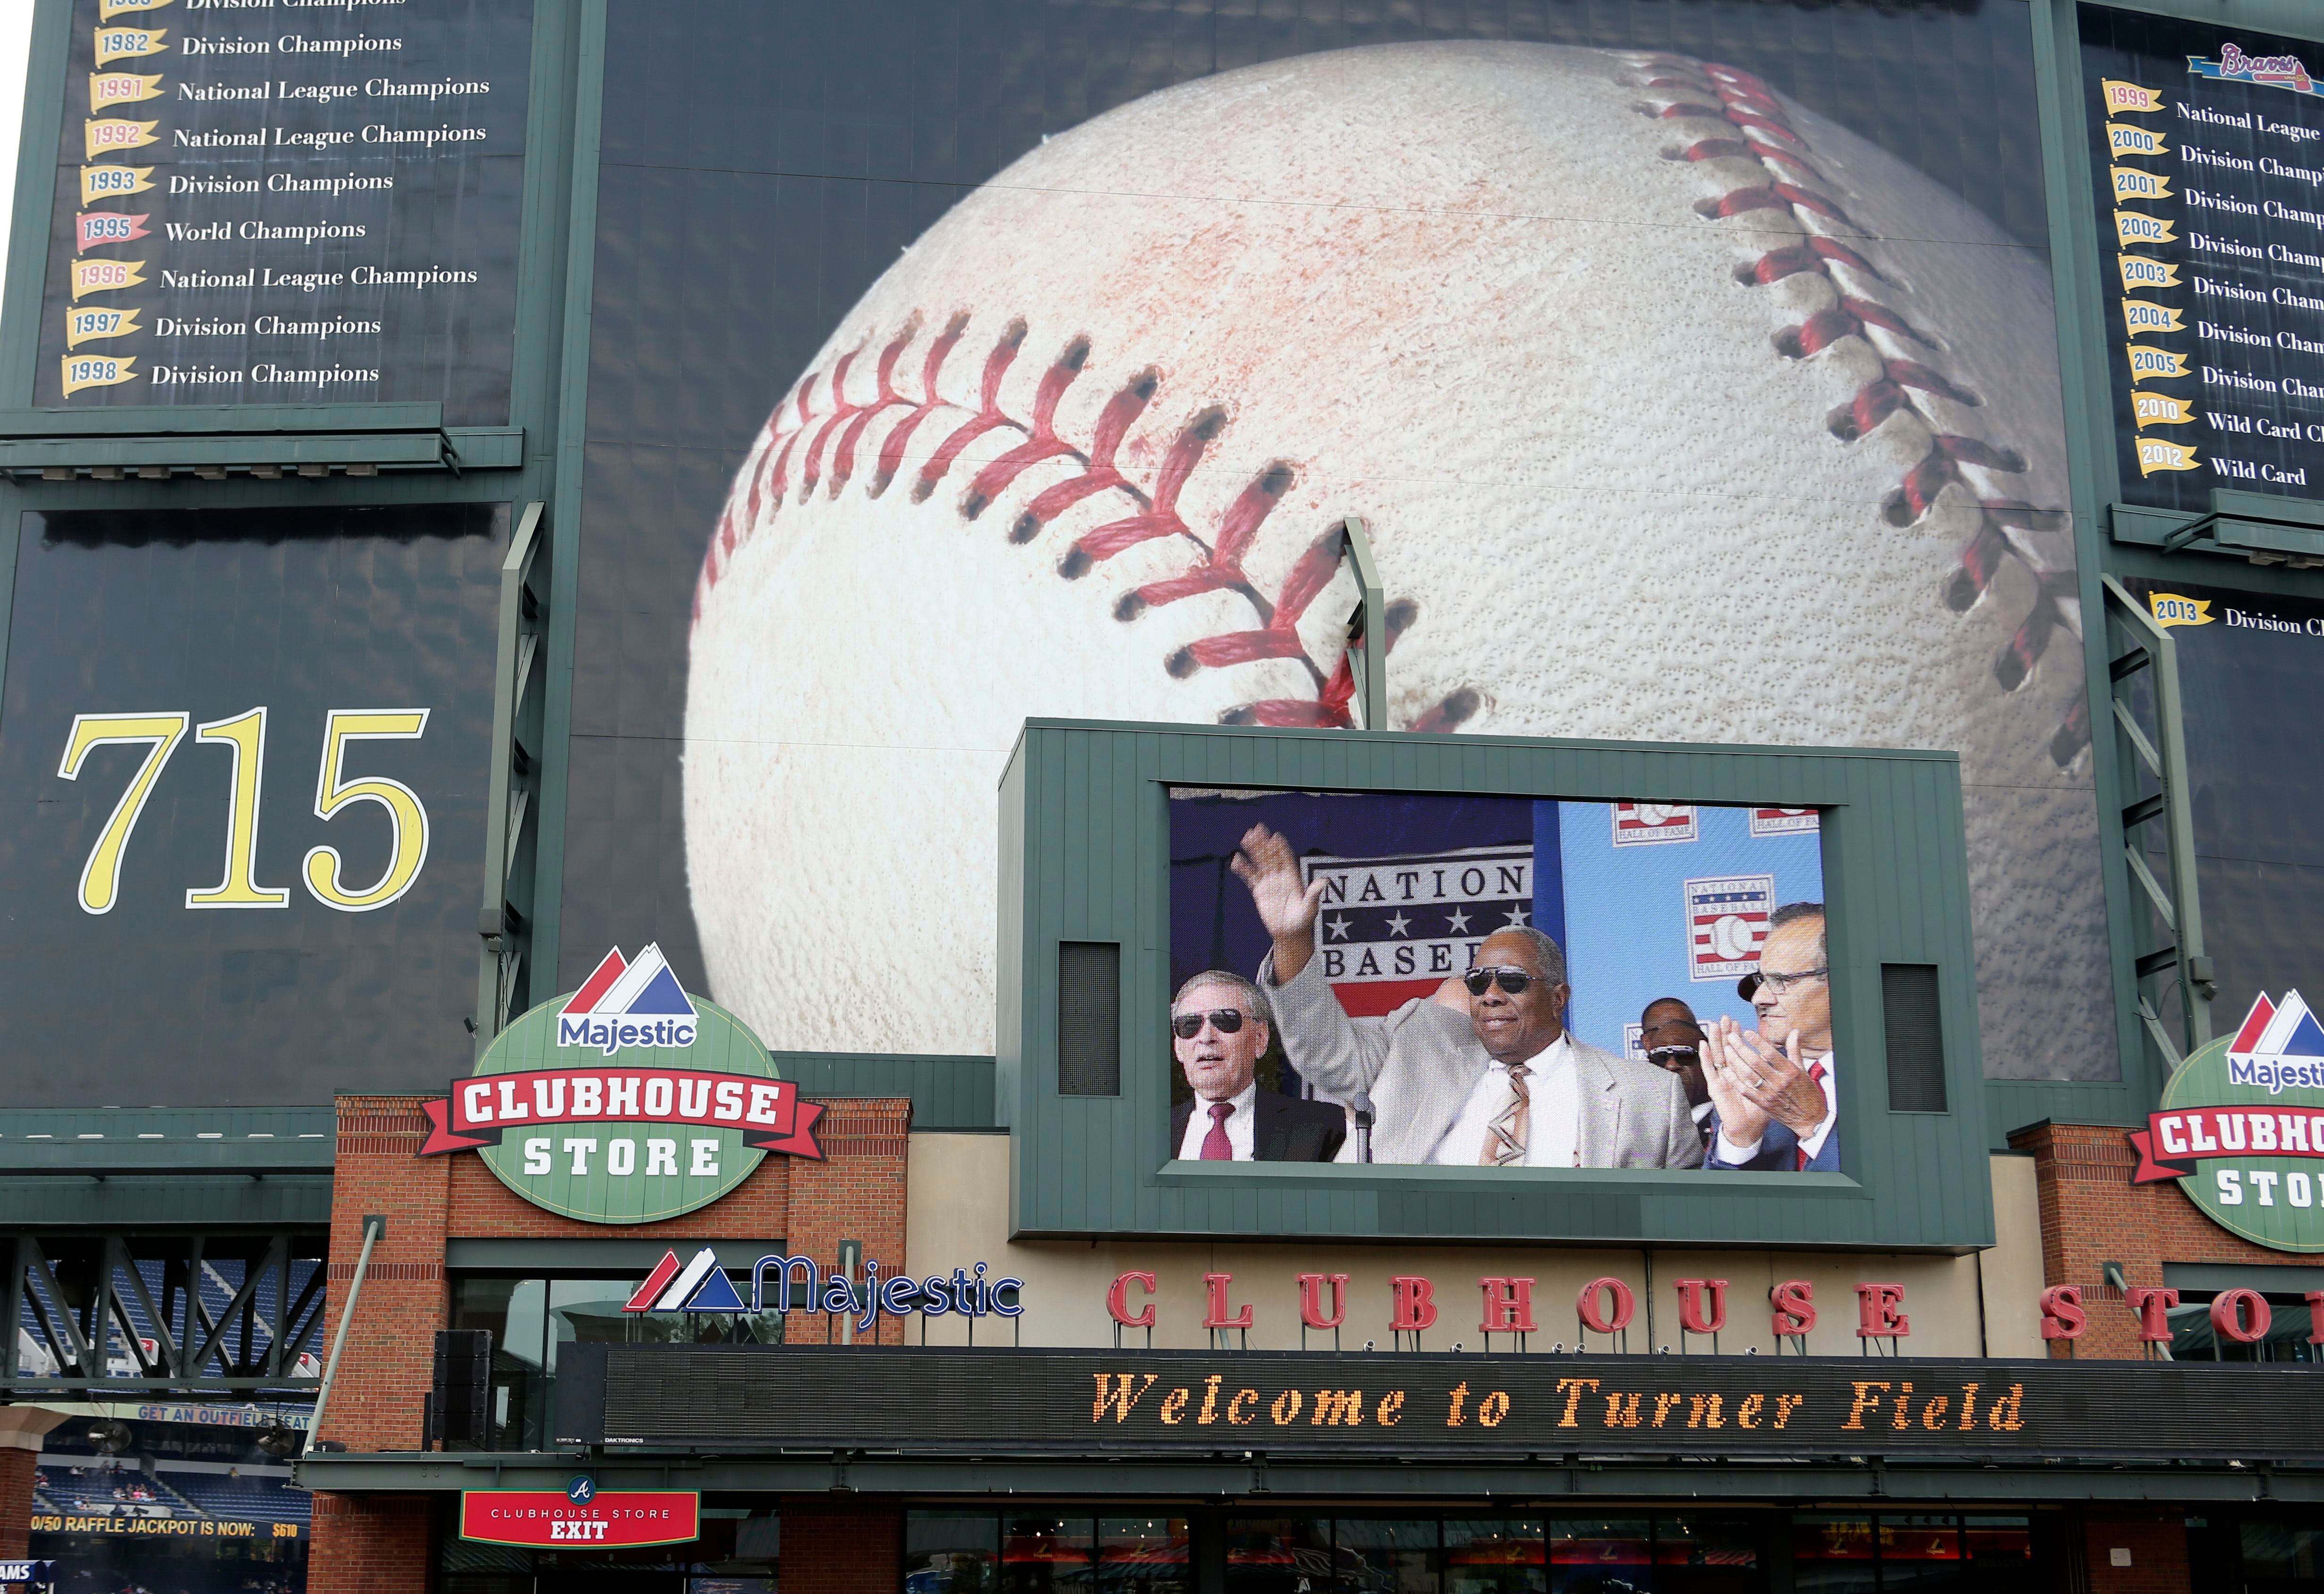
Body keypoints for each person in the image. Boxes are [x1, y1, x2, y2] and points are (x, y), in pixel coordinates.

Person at [1231, 823, 1701, 1168]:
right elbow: (1323, 1053)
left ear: (1558, 998)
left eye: (1512, 981)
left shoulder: (1648, 1096)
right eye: (1478, 981)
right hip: (1416, 1279)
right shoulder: (1422, 1041)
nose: (1491, 994)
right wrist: (1292, 939)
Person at [1701, 901, 1838, 1172]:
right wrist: (1740, 1141)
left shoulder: (1911, 1076)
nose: (1758, 998)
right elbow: (1715, 1209)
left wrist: (1815, 1126)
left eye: (1781, 982)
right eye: (1762, 980)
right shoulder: (1754, 1080)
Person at [1169, 969, 1347, 1162]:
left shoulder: (1322, 1125)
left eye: (1226, 1021)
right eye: (1189, 1025)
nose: (1206, 1038)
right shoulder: (1144, 1133)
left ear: (1260, 1038)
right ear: (1178, 1047)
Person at [1640, 996, 1714, 1147]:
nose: (1671, 1065)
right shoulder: (1636, 1127)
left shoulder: (1732, 1124)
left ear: (1708, 1058)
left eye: (1685, 1054)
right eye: (1661, 1057)